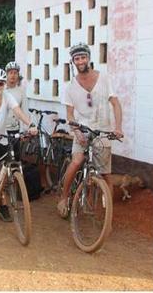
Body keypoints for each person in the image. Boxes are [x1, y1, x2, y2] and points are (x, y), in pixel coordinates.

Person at [57, 43, 123, 218]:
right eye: (77, 58)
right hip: (82, 130)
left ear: (88, 58)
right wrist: (77, 133)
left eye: (83, 57)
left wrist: (117, 127)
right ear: (73, 62)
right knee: (77, 160)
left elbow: (115, 103)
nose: (80, 61)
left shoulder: (103, 78)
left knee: (105, 173)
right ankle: (64, 198)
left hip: (103, 130)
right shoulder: (70, 87)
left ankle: (108, 211)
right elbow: (70, 115)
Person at [0, 68, 38, 223]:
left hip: (2, 138)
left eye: (1, 83)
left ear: (4, 85)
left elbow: (18, 112)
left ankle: (3, 204)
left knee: (3, 172)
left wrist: (30, 124)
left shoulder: (8, 97)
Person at [4, 61, 29, 161]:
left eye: (15, 73)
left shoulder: (21, 92)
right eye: (10, 73)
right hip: (1, 129)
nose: (13, 75)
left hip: (15, 130)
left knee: (16, 158)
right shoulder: (1, 90)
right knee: (1, 157)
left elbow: (24, 111)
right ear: (6, 75)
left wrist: (24, 130)